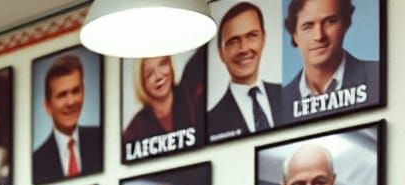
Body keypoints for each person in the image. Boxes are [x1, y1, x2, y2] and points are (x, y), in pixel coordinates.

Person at [281, 0, 379, 122]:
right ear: (294, 35)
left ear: (346, 23)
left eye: (330, 22)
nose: (319, 36)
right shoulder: (278, 104)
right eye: (308, 26)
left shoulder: (377, 77)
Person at [207, 2, 282, 140]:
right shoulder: (210, 121)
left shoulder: (286, 95)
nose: (243, 48)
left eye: (251, 36)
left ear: (263, 39)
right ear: (221, 53)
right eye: (233, 41)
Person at [32, 53, 103, 184]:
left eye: (76, 91)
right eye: (62, 95)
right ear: (47, 106)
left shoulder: (101, 138)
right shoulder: (36, 162)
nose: (71, 102)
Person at [122, 54, 202, 160]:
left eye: (163, 64)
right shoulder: (135, 129)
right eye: (149, 74)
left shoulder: (190, 91)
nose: (159, 76)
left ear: (170, 65)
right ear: (141, 82)